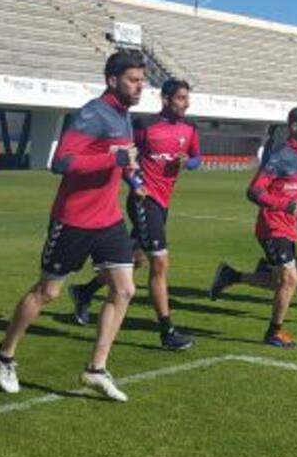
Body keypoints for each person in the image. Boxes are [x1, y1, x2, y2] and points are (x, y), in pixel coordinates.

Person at [0, 50, 145, 401]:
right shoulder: (93, 113)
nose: (139, 87)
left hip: (108, 219)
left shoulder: (123, 117)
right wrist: (114, 158)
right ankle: (5, 354)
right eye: (133, 80)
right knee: (48, 292)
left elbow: (120, 162)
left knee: (124, 290)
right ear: (112, 80)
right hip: (74, 220)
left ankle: (96, 369)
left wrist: (134, 181)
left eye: (141, 81)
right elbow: (61, 162)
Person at [69, 78, 201, 350]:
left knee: (135, 260)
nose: (185, 104)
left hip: (163, 202)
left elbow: (198, 158)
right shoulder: (144, 127)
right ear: (166, 99)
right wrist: (136, 185)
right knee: (160, 264)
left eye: (187, 99)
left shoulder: (190, 129)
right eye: (180, 98)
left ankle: (85, 291)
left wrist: (188, 162)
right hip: (144, 200)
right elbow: (126, 160)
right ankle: (167, 332)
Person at [209, 107, 297, 349]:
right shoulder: (280, 156)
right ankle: (274, 333)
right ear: (294, 127)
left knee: (283, 281)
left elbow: (291, 187)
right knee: (290, 280)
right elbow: (254, 191)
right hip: (271, 226)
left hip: (288, 226)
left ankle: (232, 275)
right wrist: (284, 204)